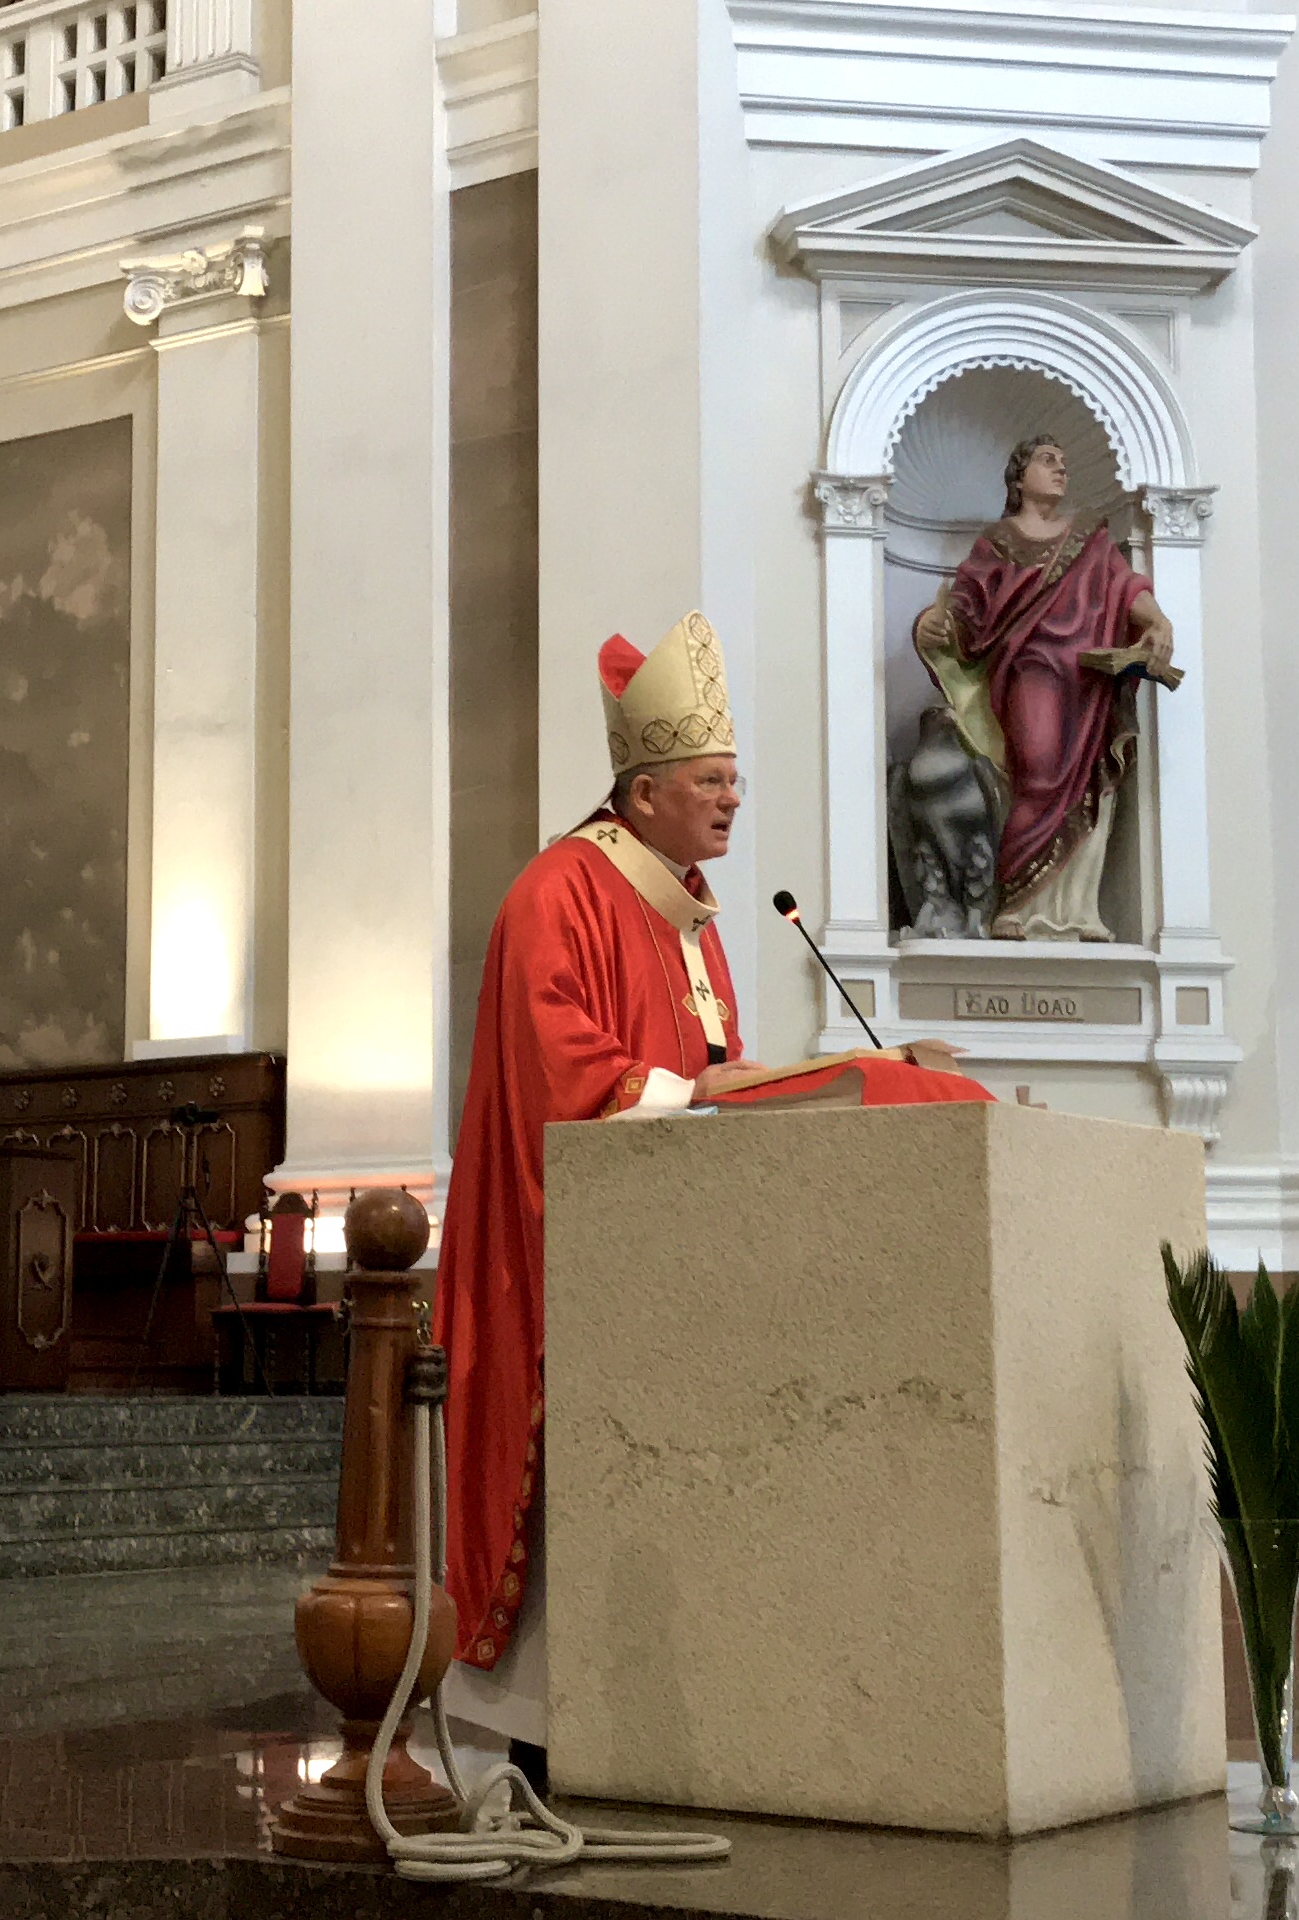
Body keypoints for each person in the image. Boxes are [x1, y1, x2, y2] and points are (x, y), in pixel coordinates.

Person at [433, 612, 987, 1776]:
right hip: (573, 1268)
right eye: (711, 781)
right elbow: (565, 1075)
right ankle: (551, 1745)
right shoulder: (559, 894)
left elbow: (717, 1085)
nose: (733, 801)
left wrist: (742, 1095)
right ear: (639, 793)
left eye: (736, 781)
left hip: (680, 1266)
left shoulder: (685, 911)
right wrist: (704, 1095)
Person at [915, 433, 1178, 941]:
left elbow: (1122, 588)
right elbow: (965, 608)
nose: (1060, 469)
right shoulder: (998, 542)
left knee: (1087, 787)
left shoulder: (1089, 536)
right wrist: (932, 621)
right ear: (1019, 477)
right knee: (1037, 773)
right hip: (1032, 669)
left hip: (1089, 680)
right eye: (1046, 460)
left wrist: (1158, 622)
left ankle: (1076, 912)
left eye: (1063, 461)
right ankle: (1016, 902)